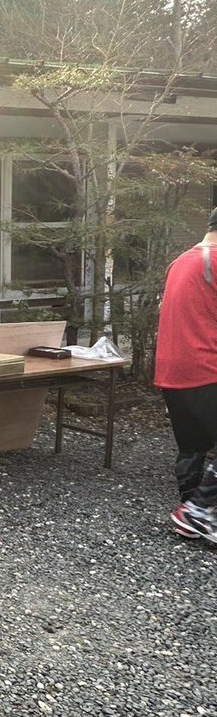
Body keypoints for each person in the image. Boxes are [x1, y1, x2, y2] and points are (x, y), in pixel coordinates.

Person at [155, 207, 217, 543]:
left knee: (192, 445)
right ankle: (197, 510)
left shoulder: (180, 261)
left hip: (171, 369)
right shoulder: (215, 261)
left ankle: (191, 515)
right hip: (205, 367)